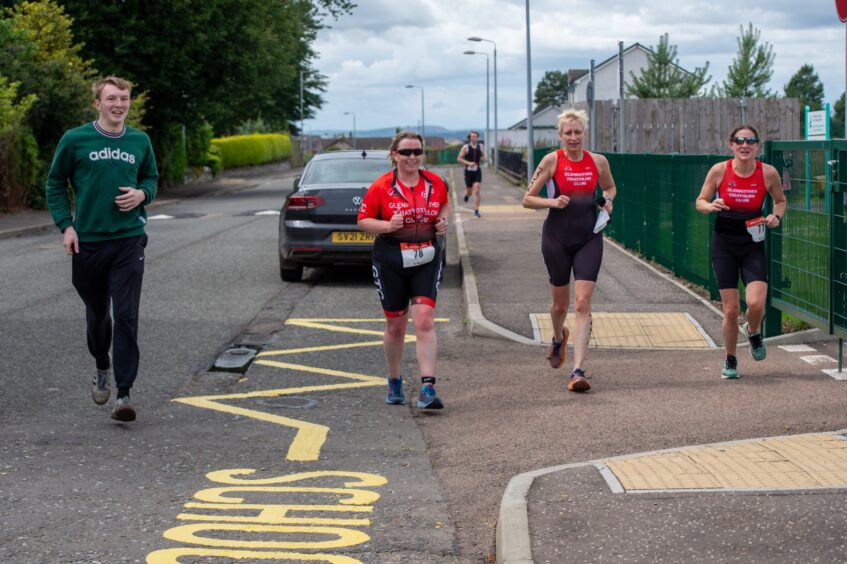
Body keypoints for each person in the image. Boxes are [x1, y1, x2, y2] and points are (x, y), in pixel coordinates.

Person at [46, 76, 158, 422]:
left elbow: (151, 178)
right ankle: (101, 364)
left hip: (128, 239)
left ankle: (123, 394)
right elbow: (54, 182)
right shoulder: (75, 139)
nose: (118, 104)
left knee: (126, 315)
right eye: (111, 98)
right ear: (98, 103)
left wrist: (142, 195)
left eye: (123, 98)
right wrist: (66, 226)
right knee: (98, 317)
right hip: (89, 243)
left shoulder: (140, 140)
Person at [521, 109, 616, 392]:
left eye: (578, 132)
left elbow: (610, 187)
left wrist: (607, 201)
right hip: (556, 238)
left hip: (589, 237)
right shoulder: (552, 160)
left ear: (585, 133)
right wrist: (552, 203)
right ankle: (558, 336)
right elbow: (527, 199)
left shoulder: (598, 161)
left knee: (583, 303)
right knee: (560, 305)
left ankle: (577, 371)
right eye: (568, 133)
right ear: (560, 135)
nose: (573, 137)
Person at [357, 131, 450, 409]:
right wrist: (387, 226)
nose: (412, 157)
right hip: (391, 261)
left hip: (427, 257)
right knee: (396, 327)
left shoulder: (436, 183)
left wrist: (442, 221)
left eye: (417, 152)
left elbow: (444, 204)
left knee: (424, 320)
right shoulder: (382, 186)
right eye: (406, 152)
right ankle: (394, 380)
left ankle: (427, 387)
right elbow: (363, 221)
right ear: (395, 155)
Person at [695, 124, 786, 379]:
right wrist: (710, 205)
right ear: (731, 144)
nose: (744, 145)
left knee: (756, 303)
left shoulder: (767, 173)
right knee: (731, 309)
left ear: (757, 145)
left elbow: (780, 201)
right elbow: (699, 201)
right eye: (739, 141)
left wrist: (776, 216)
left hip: (752, 243)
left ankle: (754, 330)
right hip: (724, 242)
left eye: (750, 141)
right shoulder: (720, 170)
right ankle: (731, 359)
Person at [457, 130, 486, 217]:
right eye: (472, 136)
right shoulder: (465, 147)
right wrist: (468, 163)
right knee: (470, 192)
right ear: (469, 138)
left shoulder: (480, 146)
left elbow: (483, 156)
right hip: (468, 171)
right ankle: (467, 194)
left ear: (477, 137)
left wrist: (484, 158)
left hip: (477, 170)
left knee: (477, 190)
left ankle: (476, 210)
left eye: (475, 136)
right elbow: (459, 158)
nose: (474, 138)